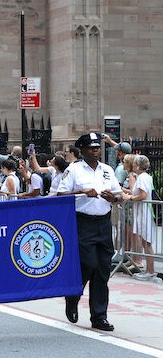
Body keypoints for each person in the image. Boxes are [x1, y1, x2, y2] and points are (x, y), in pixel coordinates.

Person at [57, 132, 122, 332]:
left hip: (103, 222)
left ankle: (99, 316)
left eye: (97, 147)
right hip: (82, 222)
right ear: (83, 150)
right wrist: (81, 192)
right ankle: (73, 296)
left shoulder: (107, 170)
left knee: (102, 270)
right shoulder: (74, 170)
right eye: (91, 148)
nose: (96, 150)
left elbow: (119, 195)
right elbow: (60, 194)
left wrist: (113, 197)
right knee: (88, 264)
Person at [122, 155, 161, 283]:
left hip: (144, 212)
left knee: (147, 242)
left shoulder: (143, 177)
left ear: (138, 165)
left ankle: (150, 271)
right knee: (145, 242)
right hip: (142, 212)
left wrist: (130, 198)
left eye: (134, 164)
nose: (133, 166)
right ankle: (149, 270)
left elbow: (143, 195)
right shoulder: (144, 177)